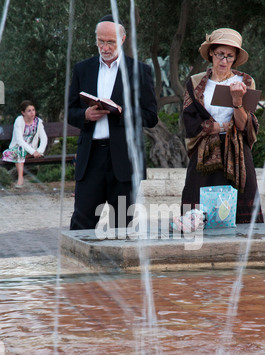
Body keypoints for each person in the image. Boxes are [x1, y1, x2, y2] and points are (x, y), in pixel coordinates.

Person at [68, 14, 158, 230]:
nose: (105, 47)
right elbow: (71, 112)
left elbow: (151, 116)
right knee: (81, 224)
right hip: (91, 159)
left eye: (110, 42)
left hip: (125, 159)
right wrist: (85, 115)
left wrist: (122, 112)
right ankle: (80, 265)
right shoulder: (83, 69)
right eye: (101, 41)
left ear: (123, 39)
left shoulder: (140, 71)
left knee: (122, 226)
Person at [181, 28, 264, 224]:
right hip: (204, 155)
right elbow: (190, 121)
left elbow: (245, 125)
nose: (224, 61)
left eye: (229, 56)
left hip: (237, 156)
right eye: (220, 54)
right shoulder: (194, 83)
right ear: (211, 53)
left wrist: (237, 101)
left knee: (241, 215)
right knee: (197, 213)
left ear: (235, 59)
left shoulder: (245, 82)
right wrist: (220, 127)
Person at [1, 100, 48, 188]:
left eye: (33, 110)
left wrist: (39, 151)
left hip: (31, 150)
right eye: (29, 111)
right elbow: (19, 140)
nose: (32, 113)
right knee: (20, 151)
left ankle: (20, 179)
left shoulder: (38, 122)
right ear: (23, 112)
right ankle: (20, 178)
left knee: (20, 153)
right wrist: (33, 152)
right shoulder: (19, 121)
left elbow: (44, 138)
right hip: (17, 148)